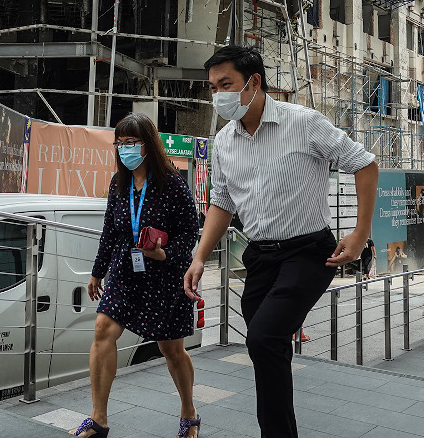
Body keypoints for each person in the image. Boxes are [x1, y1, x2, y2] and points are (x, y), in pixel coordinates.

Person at [184, 45, 379, 438]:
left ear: (254, 82)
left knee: (264, 337)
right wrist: (199, 256)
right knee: (266, 351)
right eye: (212, 87)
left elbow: (365, 163)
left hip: (309, 252)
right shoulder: (223, 141)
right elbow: (221, 204)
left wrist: (359, 234)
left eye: (226, 84)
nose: (217, 95)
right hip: (260, 257)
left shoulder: (303, 122)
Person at [71, 113, 200, 438]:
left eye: (133, 143)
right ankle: (98, 419)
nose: (125, 149)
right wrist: (97, 272)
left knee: (171, 349)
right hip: (125, 271)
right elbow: (110, 233)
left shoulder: (172, 184)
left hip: (165, 276)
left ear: (148, 145)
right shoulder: (120, 184)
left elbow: (190, 232)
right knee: (102, 330)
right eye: (121, 143)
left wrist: (166, 254)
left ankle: (189, 411)